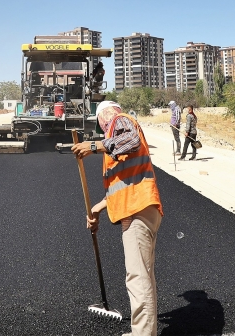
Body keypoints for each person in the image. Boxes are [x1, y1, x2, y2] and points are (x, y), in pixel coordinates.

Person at [72, 101, 164, 336]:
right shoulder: (116, 137)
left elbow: (131, 140)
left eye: (100, 122)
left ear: (105, 114)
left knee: (137, 278)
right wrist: (97, 209)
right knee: (143, 277)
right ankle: (145, 331)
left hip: (138, 208)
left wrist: (93, 145)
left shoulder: (119, 120)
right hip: (138, 206)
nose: (103, 127)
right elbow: (120, 187)